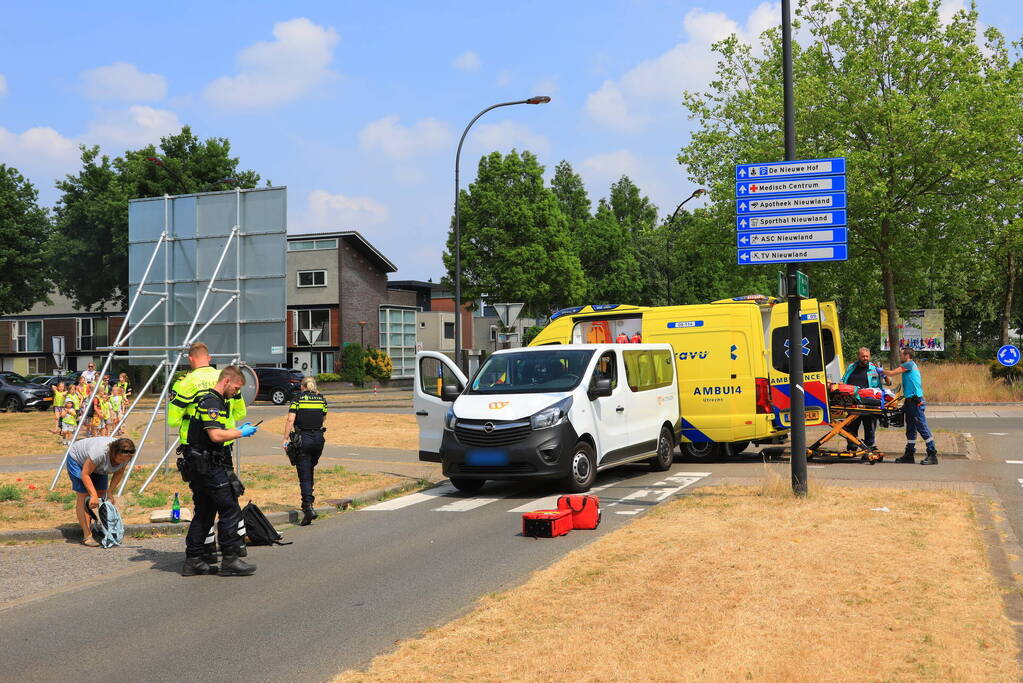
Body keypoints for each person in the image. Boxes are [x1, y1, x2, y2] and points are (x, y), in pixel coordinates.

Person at [168, 341, 247, 563]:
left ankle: (205, 551)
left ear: (190, 359)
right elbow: (240, 411)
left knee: (204, 504)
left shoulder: (185, 383)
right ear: (209, 357)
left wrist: (192, 418)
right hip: (223, 443)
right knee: (227, 500)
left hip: (193, 447)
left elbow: (173, 419)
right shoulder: (224, 377)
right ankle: (235, 549)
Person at [179, 366, 259, 576]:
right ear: (226, 381)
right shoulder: (212, 401)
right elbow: (215, 435)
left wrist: (236, 429)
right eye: (236, 387)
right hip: (209, 466)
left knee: (205, 512)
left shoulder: (214, 400)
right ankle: (230, 560)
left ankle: (193, 560)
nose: (236, 392)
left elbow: (217, 431)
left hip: (201, 465)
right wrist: (240, 433)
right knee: (230, 509)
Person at [65, 436, 136, 547]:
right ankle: (87, 535)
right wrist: (92, 495)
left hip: (97, 466)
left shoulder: (126, 455)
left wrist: (110, 492)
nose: (123, 462)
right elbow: (85, 474)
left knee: (102, 494)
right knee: (84, 495)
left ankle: (100, 528)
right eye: (121, 459)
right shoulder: (100, 452)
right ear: (113, 452)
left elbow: (119, 472)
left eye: (125, 460)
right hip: (77, 461)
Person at [282, 377, 328, 525]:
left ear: (302, 387)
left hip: (303, 439)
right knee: (310, 470)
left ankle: (308, 507)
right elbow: (324, 418)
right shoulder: (321, 399)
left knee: (305, 475)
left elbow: (290, 420)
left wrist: (285, 439)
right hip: (319, 440)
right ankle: (308, 505)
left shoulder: (297, 399)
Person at [881, 347, 937, 465]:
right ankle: (909, 454)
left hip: (915, 401)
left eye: (901, 355)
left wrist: (879, 370)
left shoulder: (909, 364)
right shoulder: (909, 365)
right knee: (910, 428)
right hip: (909, 401)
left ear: (907, 355)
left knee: (921, 427)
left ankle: (932, 453)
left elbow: (892, 373)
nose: (900, 357)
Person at [840, 347, 889, 454]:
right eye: (863, 356)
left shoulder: (874, 368)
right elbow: (843, 380)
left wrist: (884, 375)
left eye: (867, 356)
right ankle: (852, 447)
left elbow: (889, 383)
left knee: (869, 427)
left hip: (869, 403)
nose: (865, 358)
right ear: (858, 356)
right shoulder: (851, 367)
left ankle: (868, 448)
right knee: (851, 426)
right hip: (853, 402)